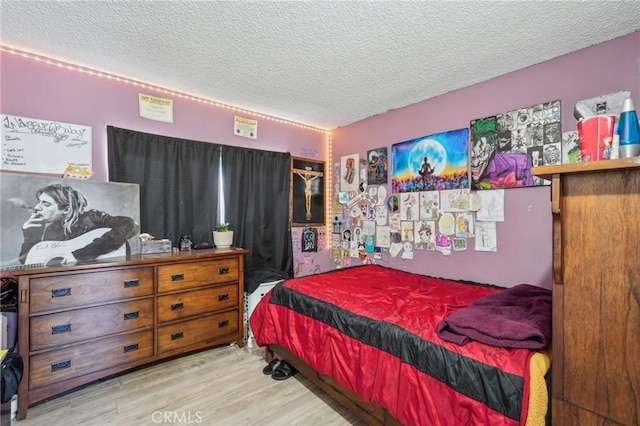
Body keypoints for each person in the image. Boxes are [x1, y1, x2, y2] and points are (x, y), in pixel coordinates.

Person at [19, 183, 139, 265]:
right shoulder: (50, 229)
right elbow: (29, 263)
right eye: (39, 202)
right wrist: (31, 235)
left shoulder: (92, 217)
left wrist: (81, 255)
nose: (37, 208)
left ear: (66, 209)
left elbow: (130, 225)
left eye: (46, 204)